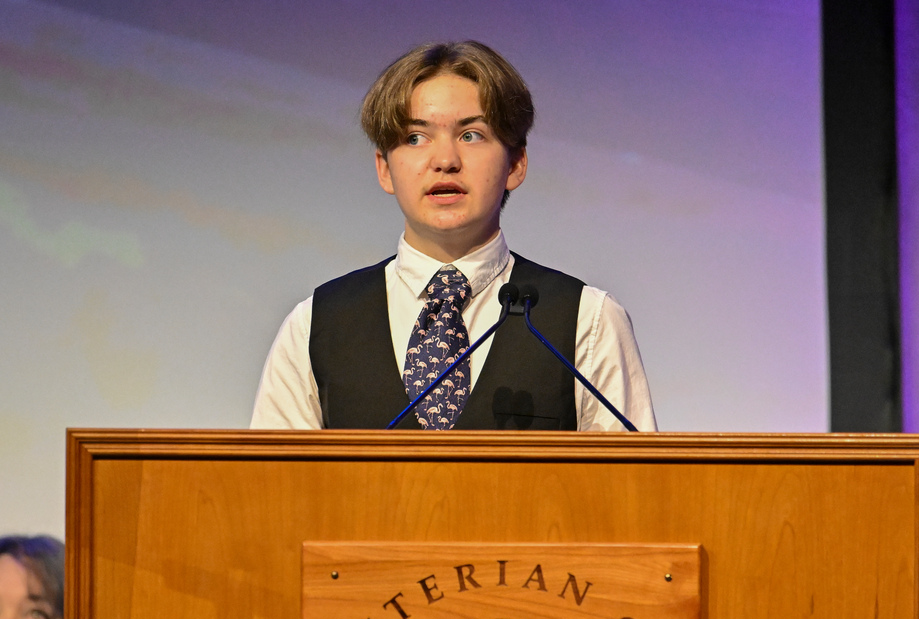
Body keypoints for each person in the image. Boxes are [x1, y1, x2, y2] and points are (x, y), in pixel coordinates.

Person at [251, 40, 656, 433]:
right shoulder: (315, 324)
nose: (445, 160)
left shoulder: (589, 321)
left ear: (516, 163)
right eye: (415, 138)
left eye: (471, 135)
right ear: (385, 169)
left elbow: (634, 492)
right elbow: (271, 492)